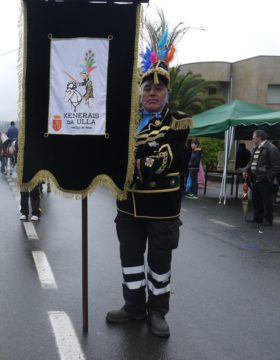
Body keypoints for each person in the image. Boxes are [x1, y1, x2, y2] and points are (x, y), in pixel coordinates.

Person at [106, 33, 192, 338]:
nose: (152, 93)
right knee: (130, 260)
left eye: (158, 88)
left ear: (166, 93)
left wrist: (135, 161)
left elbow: (164, 160)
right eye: (147, 88)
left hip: (162, 210)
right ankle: (133, 307)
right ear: (140, 93)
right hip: (127, 207)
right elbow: (115, 154)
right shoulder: (127, 123)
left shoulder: (178, 122)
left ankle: (157, 312)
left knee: (159, 265)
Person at [242, 130, 280, 226]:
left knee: (267, 200)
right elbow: (251, 162)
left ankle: (268, 219)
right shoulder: (255, 148)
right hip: (255, 177)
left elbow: (276, 166)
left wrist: (268, 177)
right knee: (256, 199)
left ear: (259, 138)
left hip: (265, 179)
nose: (252, 139)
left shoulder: (271, 148)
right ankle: (258, 217)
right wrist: (246, 170)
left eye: (253, 137)